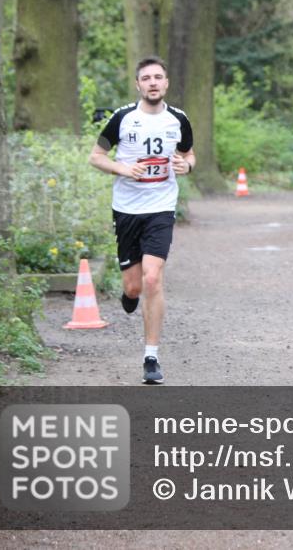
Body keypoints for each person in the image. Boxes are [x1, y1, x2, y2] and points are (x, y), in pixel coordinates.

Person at [88, 56, 195, 384]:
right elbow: (96, 156)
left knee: (152, 279)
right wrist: (123, 168)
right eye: (146, 78)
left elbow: (189, 153)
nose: (152, 82)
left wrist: (187, 166)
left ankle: (151, 357)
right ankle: (129, 295)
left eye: (158, 77)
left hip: (161, 207)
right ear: (138, 85)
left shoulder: (178, 119)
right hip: (127, 209)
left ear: (166, 84)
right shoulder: (122, 118)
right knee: (134, 286)